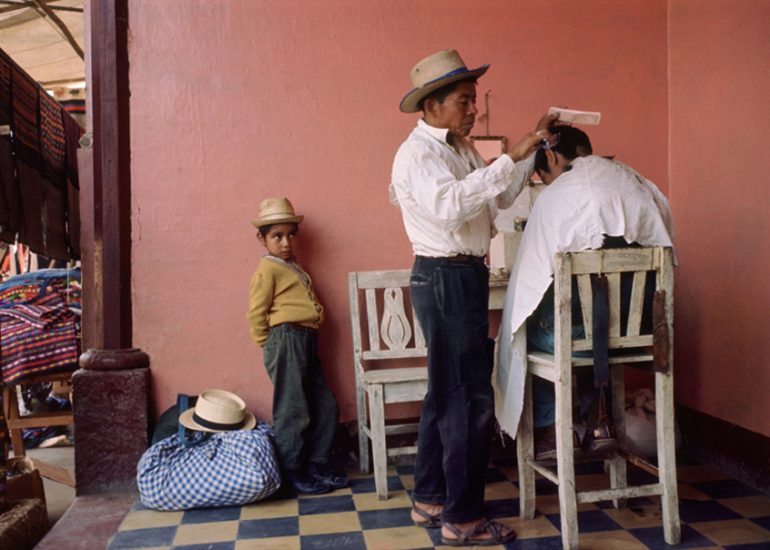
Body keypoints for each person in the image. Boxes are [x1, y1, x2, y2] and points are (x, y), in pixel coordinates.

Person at [390, 48, 557, 547]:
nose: (473, 110)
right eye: (464, 101)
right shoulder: (418, 154)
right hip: (444, 276)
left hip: (458, 276)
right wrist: (509, 156)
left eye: (474, 100)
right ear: (432, 105)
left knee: (446, 394)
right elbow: (448, 207)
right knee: (469, 399)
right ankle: (462, 518)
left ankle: (430, 497)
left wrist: (526, 149)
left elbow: (499, 197)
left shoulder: (458, 150)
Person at [495, 125, 675, 459]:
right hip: (640, 334)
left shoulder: (555, 196)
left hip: (579, 338)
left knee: (525, 333)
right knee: (593, 322)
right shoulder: (638, 184)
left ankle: (550, 431)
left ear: (549, 155)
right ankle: (598, 418)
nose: (544, 181)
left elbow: (529, 281)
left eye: (540, 173)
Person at [246, 197, 348, 495]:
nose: (286, 241)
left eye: (291, 234)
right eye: (277, 236)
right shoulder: (267, 270)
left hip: (305, 338)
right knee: (293, 408)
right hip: (286, 339)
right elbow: (256, 312)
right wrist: (269, 344)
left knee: (325, 404)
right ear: (261, 238)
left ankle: (316, 463)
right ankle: (291, 470)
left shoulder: (291, 265)